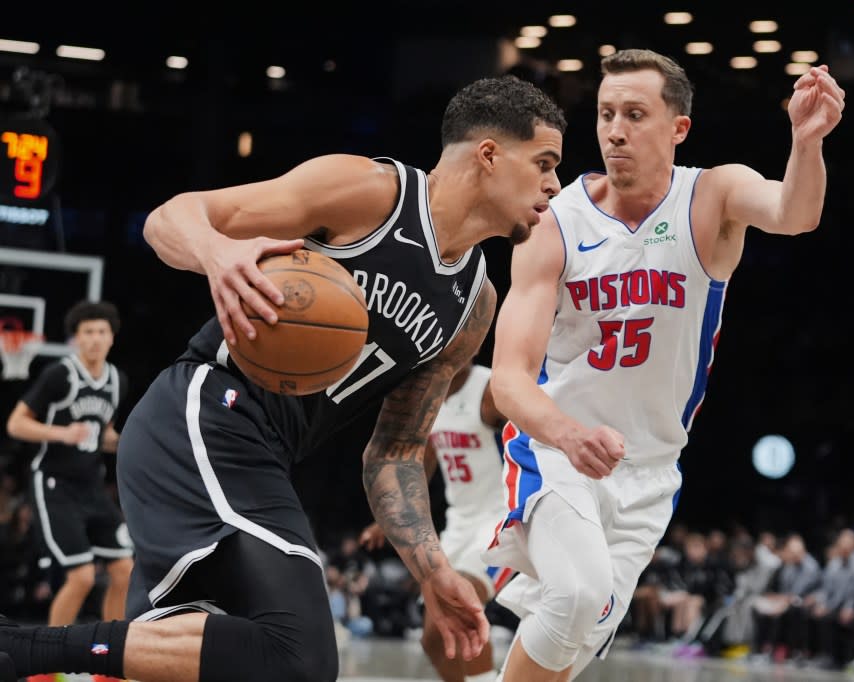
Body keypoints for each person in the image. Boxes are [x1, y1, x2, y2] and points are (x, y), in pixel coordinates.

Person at [0, 74, 565, 682]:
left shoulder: (473, 305)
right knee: (304, 654)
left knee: (242, 660)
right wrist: (217, 255)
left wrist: (432, 573)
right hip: (206, 413)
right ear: (488, 154)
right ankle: (24, 649)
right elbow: (171, 218)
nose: (554, 186)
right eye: (544, 163)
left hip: (266, 452)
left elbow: (395, 454)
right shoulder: (369, 193)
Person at [484, 48, 844, 681]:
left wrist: (806, 142)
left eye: (634, 114)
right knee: (573, 596)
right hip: (557, 451)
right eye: (605, 114)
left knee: (571, 644)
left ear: (678, 128)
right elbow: (510, 378)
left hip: (649, 471)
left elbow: (795, 213)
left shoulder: (713, 194)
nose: (615, 130)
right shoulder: (555, 223)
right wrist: (568, 433)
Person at [5, 300, 133, 682]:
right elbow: (16, 424)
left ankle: (109, 664)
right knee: (81, 577)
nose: (95, 339)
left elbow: (102, 432)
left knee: (125, 570)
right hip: (53, 484)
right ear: (76, 338)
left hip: (91, 485)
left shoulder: (116, 380)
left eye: (101, 332)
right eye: (87, 332)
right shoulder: (60, 376)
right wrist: (61, 432)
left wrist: (129, 443)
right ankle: (44, 667)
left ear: (112, 337)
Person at [361, 360, 510, 682]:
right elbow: (420, 461)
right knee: (432, 638)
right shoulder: (430, 397)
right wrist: (388, 520)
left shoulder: (490, 390)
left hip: (499, 520)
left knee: (462, 613)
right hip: (459, 524)